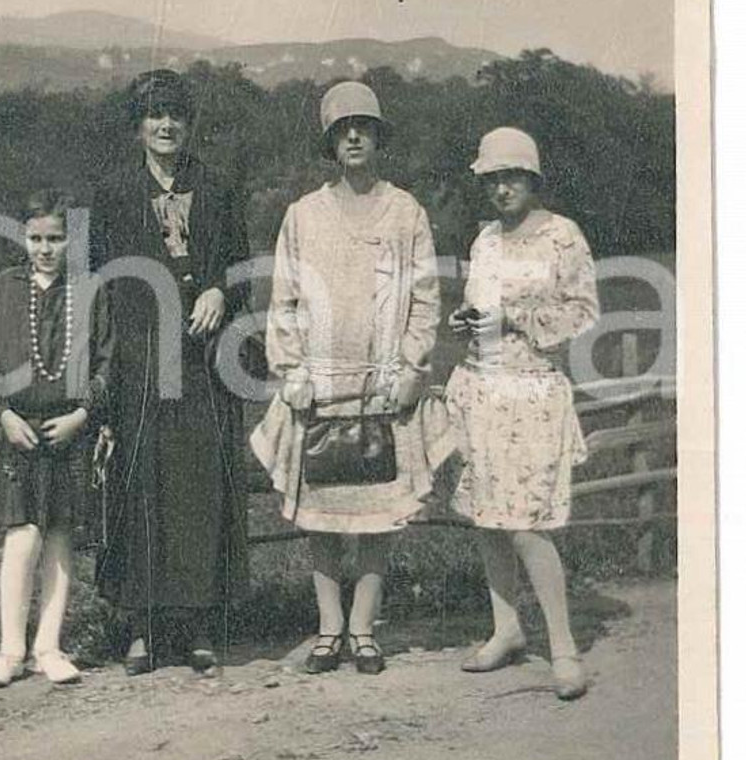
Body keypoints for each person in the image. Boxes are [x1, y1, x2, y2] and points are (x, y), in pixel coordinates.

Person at [251, 81, 440, 675]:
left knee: (380, 509)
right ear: (330, 143)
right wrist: (292, 370)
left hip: (384, 383)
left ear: (378, 136)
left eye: (363, 126)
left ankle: (364, 628)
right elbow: (283, 300)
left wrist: (411, 367)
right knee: (324, 513)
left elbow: (426, 297)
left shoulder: (406, 211)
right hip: (321, 382)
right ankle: (329, 627)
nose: (353, 136)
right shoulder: (303, 216)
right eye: (342, 129)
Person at [91, 69, 250, 674]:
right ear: (139, 126)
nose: (166, 126)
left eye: (175, 116)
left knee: (198, 489)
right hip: (138, 363)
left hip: (203, 363)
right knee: (141, 487)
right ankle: (141, 627)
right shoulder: (112, 193)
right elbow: (96, 280)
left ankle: (196, 624)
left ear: (188, 124)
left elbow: (240, 268)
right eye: (155, 116)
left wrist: (218, 291)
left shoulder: (216, 187)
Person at [444, 127, 600, 701]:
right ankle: (506, 629)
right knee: (489, 517)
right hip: (484, 387)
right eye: (492, 180)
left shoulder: (563, 237)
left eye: (511, 177)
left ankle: (563, 647)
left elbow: (583, 311)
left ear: (532, 179)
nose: (501, 189)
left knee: (526, 523)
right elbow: (479, 303)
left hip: (533, 392)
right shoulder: (485, 240)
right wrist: (468, 319)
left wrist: (514, 317)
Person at [0, 188, 113, 687]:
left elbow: (105, 365)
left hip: (67, 431)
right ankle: (9, 650)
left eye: (55, 237)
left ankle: (48, 648)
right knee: (21, 535)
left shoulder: (89, 289)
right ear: (22, 237)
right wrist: (4, 414)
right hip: (19, 431)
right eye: (36, 238)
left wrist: (81, 415)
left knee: (58, 537)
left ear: (69, 239)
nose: (45, 248)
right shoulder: (5, 289)